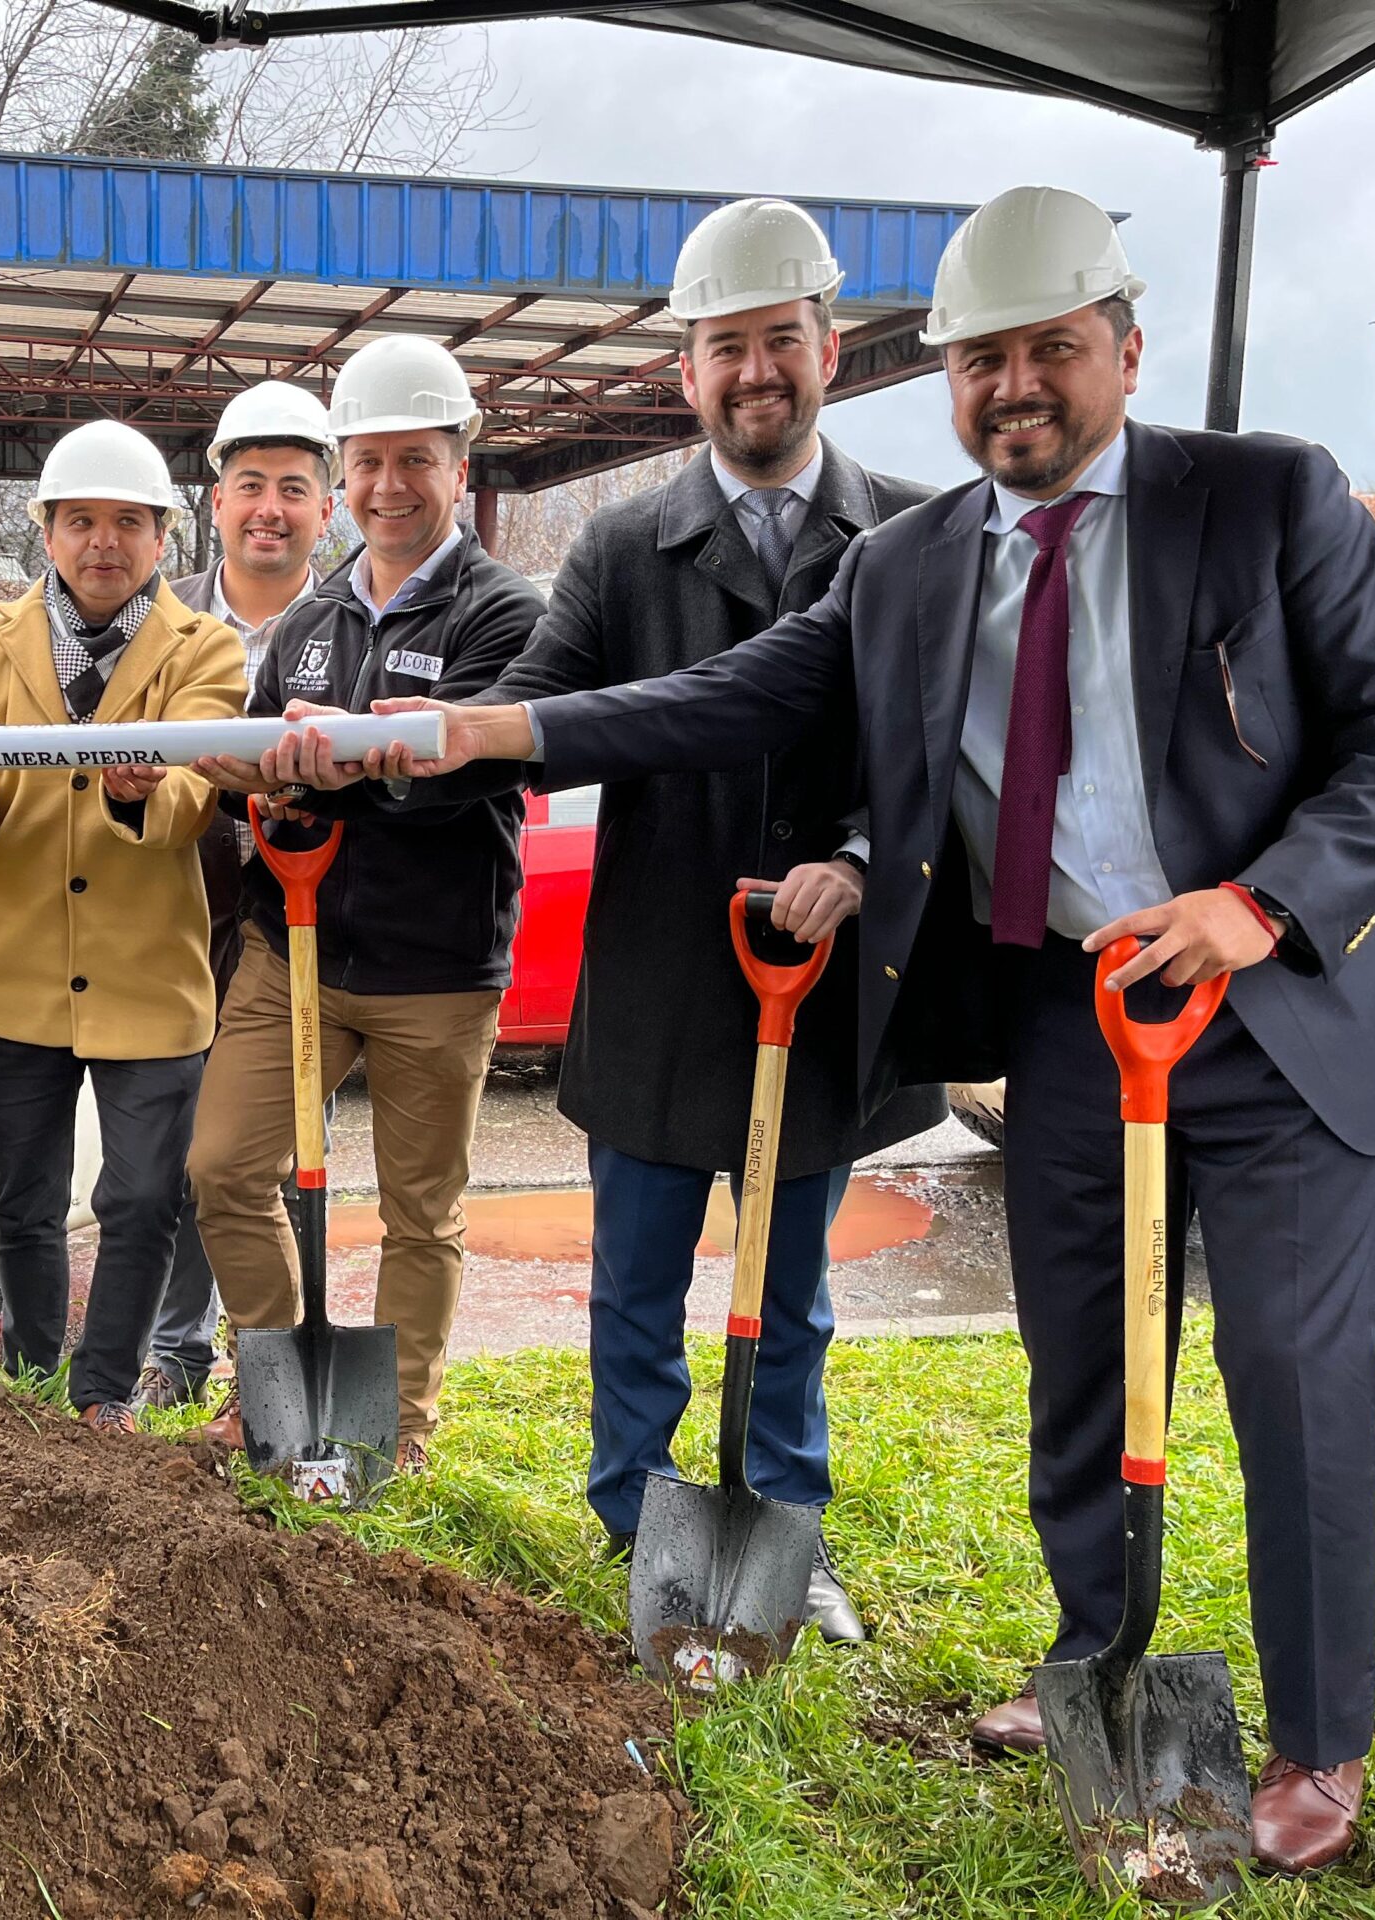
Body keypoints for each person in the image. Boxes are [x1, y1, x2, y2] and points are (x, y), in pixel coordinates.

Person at [369, 187, 1375, 1875]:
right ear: (940, 376)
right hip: (1064, 1013)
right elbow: (726, 697)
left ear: (1123, 345)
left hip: (1276, 1018)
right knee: (1084, 1370)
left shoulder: (1266, 500)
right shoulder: (913, 561)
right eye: (981, 360)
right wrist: (477, 730)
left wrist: (1257, 904)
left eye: (1050, 351)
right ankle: (1097, 1652)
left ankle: (1318, 1741)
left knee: (1289, 1379)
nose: (1014, 387)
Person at [480, 198, 944, 1642]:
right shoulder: (625, 553)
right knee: (636, 1286)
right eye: (726, 346)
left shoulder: (916, 538)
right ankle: (637, 1513)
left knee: (789, 1295)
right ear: (687, 374)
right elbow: (535, 718)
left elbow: (943, 758)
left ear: (829, 352)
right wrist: (418, 739)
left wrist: (864, 857)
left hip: (822, 985)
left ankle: (782, 1531)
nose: (756, 370)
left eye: (782, 341)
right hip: (667, 972)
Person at [189, 335, 545, 1473]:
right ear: (343, 474)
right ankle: (272, 1383)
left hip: (435, 969)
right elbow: (255, 748)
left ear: (458, 465)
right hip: (286, 949)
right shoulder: (308, 619)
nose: (388, 487)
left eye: (415, 459)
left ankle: (394, 1428)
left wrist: (364, 762)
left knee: (418, 1213)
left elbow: (484, 772)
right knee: (224, 1169)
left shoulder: (505, 616)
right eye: (368, 462)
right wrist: (228, 767)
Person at [0, 419, 245, 1428]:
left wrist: (142, 792)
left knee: (141, 1200)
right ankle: (41, 1382)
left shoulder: (204, 648)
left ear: (163, 537)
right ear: (44, 533)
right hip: (15, 973)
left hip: (152, 979)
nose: (102, 542)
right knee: (24, 1203)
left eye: (127, 522)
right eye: (80, 520)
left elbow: (191, 794)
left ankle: (104, 1395)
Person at [142, 381, 338, 1409]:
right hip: (180, 901)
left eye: (294, 488)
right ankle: (177, 1346)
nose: (270, 506)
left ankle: (273, 1359)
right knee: (189, 1139)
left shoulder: (353, 622)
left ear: (325, 508)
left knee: (284, 1144)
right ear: (215, 501)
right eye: (249, 484)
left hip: (307, 916)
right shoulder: (160, 621)